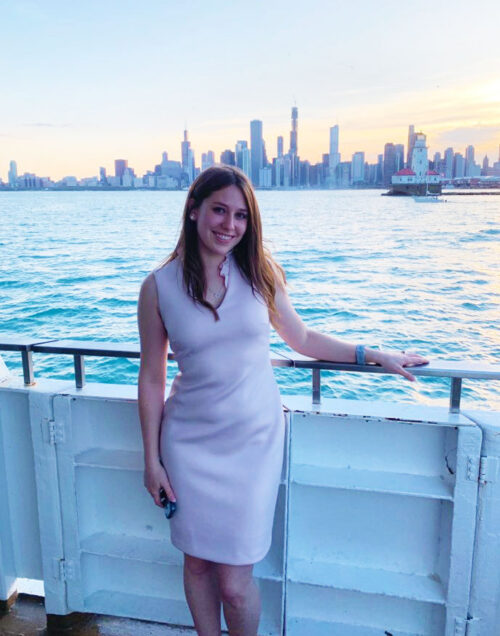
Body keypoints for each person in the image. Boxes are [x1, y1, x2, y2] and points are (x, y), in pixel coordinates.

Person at [137, 164, 428, 636]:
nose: (230, 225)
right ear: (193, 210)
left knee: (235, 582)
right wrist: (152, 462)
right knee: (196, 564)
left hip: (254, 444)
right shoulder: (158, 287)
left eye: (241, 215)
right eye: (219, 210)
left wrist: (372, 355)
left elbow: (302, 338)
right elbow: (151, 378)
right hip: (188, 445)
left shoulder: (259, 274)